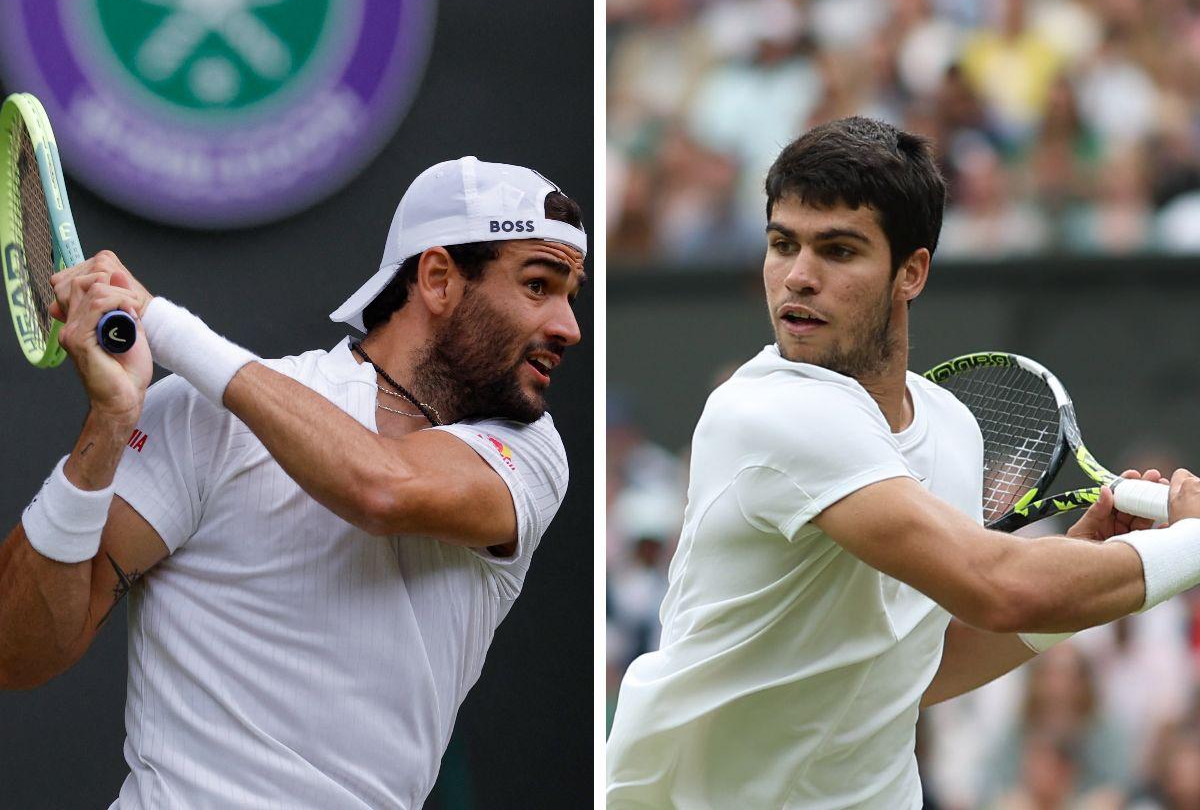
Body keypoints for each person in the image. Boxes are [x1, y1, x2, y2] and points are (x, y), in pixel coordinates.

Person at [605, 116, 1200, 808]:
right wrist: (1189, 546)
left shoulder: (951, 427)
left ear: (910, 271)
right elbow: (996, 585)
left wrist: (1083, 571)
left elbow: (910, 669)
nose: (798, 277)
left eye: (838, 250)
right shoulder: (763, 414)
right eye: (781, 243)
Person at [0, 156, 587, 808]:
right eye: (539, 286)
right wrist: (109, 425)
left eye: (570, 295)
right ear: (440, 278)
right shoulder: (200, 416)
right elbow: (16, 653)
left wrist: (161, 325)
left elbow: (381, 489)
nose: (569, 327)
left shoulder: (531, 452)